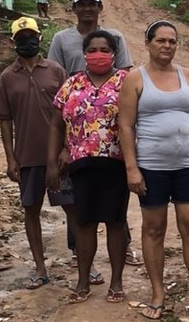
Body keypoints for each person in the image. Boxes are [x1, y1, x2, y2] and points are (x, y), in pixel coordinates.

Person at [119, 20, 189, 319]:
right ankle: (157, 292)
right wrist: (132, 168)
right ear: (148, 43)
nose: (167, 46)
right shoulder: (135, 79)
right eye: (161, 41)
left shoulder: (188, 76)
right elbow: (125, 126)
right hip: (152, 166)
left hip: (187, 164)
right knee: (154, 229)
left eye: (172, 41)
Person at [46, 0, 141, 272]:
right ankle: (79, 255)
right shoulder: (62, 41)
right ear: (74, 8)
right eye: (81, 4)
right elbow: (60, 104)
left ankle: (123, 249)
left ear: (100, 7)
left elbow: (127, 87)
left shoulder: (117, 40)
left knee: (115, 208)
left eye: (92, 4)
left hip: (113, 149)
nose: (87, 9)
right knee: (79, 208)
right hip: (78, 144)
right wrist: (63, 146)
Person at [49, 30, 132, 303]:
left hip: (116, 163)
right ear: (84, 54)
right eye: (93, 49)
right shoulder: (72, 84)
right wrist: (55, 156)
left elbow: (137, 121)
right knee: (84, 223)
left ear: (114, 53)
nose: (99, 54)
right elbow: (57, 123)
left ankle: (116, 283)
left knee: (115, 222)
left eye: (104, 49)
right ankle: (82, 282)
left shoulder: (126, 82)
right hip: (80, 163)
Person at [0, 17, 71, 291]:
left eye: (32, 36)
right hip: (27, 158)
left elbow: (69, 114)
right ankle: (40, 267)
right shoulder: (6, 77)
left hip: (59, 160)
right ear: (13, 42)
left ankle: (86, 264)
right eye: (21, 37)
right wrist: (10, 158)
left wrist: (66, 148)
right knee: (31, 211)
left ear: (40, 39)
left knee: (72, 209)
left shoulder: (56, 71)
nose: (27, 41)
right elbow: (4, 120)